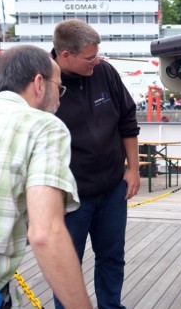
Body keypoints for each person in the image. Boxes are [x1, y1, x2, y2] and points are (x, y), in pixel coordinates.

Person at [0, 45, 92, 308]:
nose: (60, 98)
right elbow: (46, 233)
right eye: (59, 87)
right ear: (39, 83)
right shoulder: (43, 126)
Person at [51, 19, 140, 309]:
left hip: (113, 189)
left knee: (112, 256)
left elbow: (127, 120)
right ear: (65, 56)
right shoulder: (43, 83)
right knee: (67, 264)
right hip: (70, 197)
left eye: (97, 54)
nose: (96, 61)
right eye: (90, 57)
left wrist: (134, 169)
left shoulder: (104, 72)